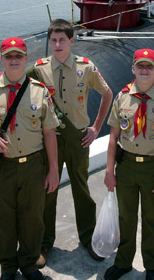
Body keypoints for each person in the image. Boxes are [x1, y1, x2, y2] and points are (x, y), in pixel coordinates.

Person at [26, 18, 113, 265]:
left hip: (77, 139)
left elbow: (107, 93)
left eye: (62, 40)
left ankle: (88, 237)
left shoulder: (86, 67)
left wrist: (96, 127)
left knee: (81, 189)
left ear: (72, 41)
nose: (57, 44)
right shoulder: (38, 69)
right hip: (50, 139)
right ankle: (44, 242)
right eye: (52, 40)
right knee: (48, 189)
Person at [0, 37, 60, 280]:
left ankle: (30, 264)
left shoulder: (39, 91)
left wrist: (53, 170)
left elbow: (50, 133)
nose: (13, 61)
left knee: (33, 217)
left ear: (26, 58)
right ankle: (8, 267)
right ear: (2, 59)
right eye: (9, 56)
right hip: (4, 166)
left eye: (18, 56)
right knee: (4, 219)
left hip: (33, 165)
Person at [103, 48, 154, 280]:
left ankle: (151, 266)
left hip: (152, 167)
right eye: (140, 66)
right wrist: (109, 170)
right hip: (125, 166)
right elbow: (114, 137)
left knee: (152, 219)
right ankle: (123, 261)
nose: (144, 70)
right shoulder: (122, 97)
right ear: (133, 69)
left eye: (149, 66)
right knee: (126, 217)